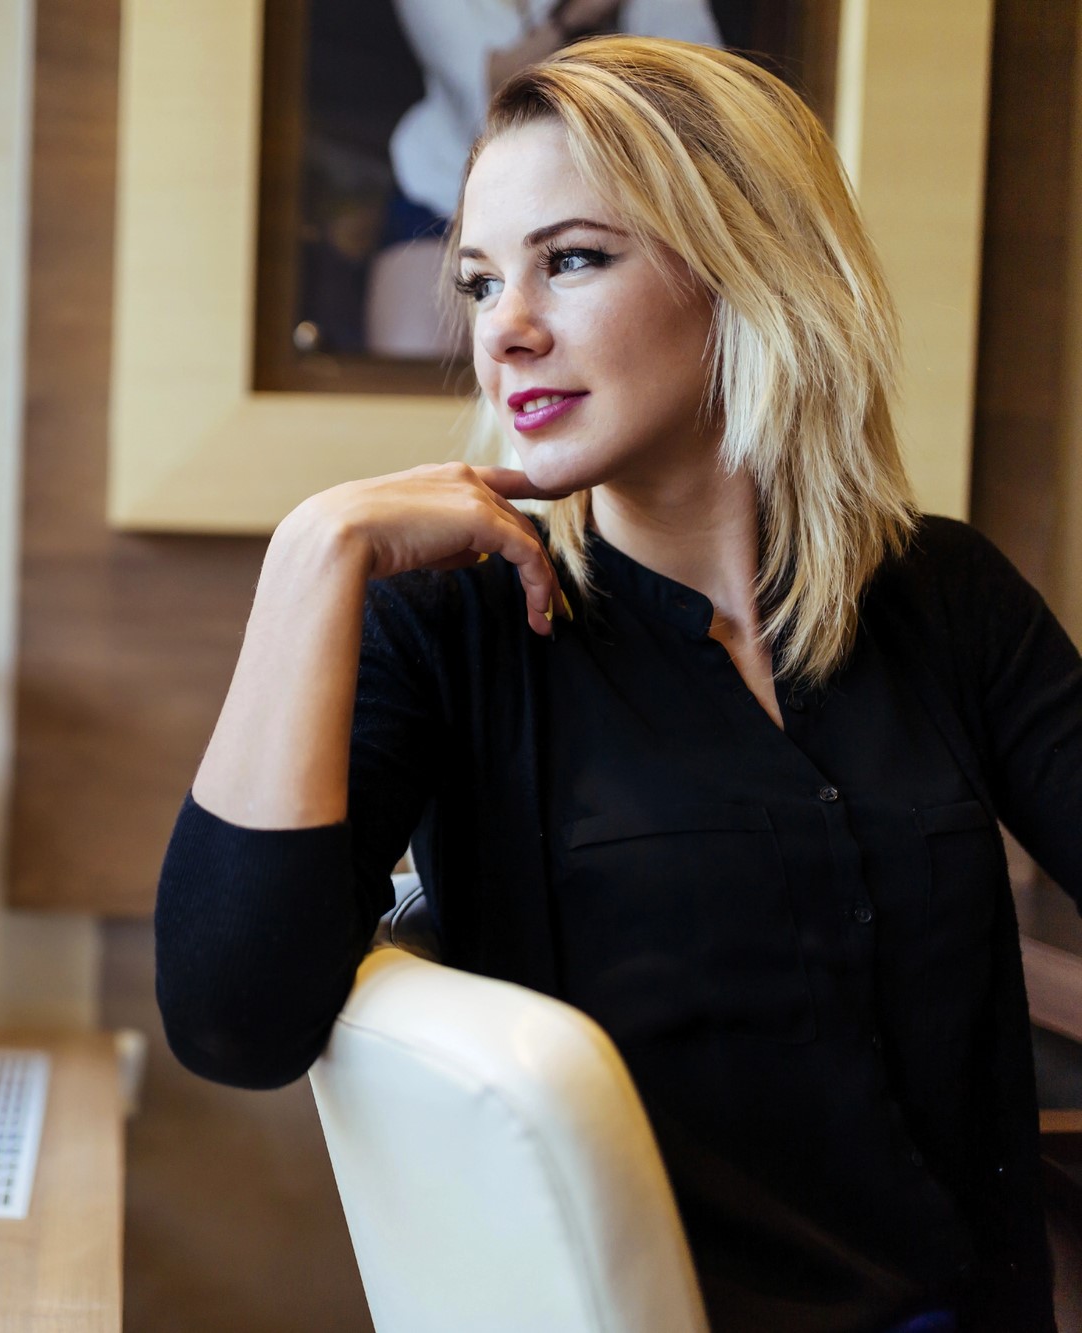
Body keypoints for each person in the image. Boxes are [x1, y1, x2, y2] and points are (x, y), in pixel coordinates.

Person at [156, 36, 1082, 1333]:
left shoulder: (947, 597)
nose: (507, 328)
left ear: (748, 267)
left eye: (572, 259)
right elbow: (232, 1020)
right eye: (479, 282)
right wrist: (315, 553)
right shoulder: (452, 631)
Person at [367, 0, 719, 357]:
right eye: (482, 285)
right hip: (440, 185)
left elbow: (699, 93)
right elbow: (495, 95)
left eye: (572, 262)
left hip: (603, 194)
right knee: (411, 360)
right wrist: (572, 19)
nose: (501, 333)